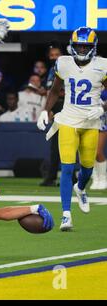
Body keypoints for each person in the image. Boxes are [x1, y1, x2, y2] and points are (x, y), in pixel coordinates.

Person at [37, 27, 107, 231]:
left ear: (93, 47)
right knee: (67, 168)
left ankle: (81, 188)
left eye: (86, 46)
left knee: (87, 168)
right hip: (67, 120)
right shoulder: (63, 62)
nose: (82, 49)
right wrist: (45, 111)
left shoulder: (102, 65)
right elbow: (54, 90)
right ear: (72, 45)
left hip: (91, 123)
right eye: (79, 46)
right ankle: (66, 215)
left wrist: (101, 107)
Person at [39, 45, 65, 187]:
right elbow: (51, 91)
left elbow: (64, 92)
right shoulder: (51, 70)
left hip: (66, 108)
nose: (54, 57)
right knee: (55, 146)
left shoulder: (67, 68)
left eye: (57, 54)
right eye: (52, 55)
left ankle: (71, 178)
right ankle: (52, 177)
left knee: (67, 144)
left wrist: (56, 93)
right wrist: (48, 109)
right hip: (55, 108)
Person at [90, 91, 107, 190]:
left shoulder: (104, 92)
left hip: (102, 123)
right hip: (88, 123)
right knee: (90, 153)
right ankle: (95, 178)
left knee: (98, 152)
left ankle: (103, 178)